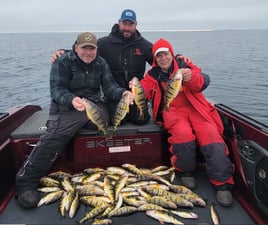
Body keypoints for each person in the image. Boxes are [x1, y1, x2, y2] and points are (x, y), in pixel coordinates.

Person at [15, 32, 133, 209]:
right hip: (66, 108)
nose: (88, 52)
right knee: (55, 134)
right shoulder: (62, 61)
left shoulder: (101, 63)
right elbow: (56, 90)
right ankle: (26, 182)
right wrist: (71, 99)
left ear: (96, 49)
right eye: (84, 48)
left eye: (91, 49)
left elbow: (109, 87)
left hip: (93, 106)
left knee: (110, 120)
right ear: (76, 47)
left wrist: (123, 93)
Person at [134, 38, 234, 207]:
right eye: (158, 56)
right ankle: (186, 171)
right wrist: (134, 90)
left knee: (211, 136)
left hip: (197, 109)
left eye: (165, 54)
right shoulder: (152, 75)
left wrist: (191, 76)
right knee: (182, 135)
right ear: (155, 59)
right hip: (173, 110)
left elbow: (203, 82)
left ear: (171, 54)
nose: (163, 59)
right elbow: (144, 88)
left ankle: (222, 182)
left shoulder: (185, 65)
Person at [50, 9, 190, 126]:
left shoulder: (144, 45)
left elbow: (162, 58)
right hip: (114, 94)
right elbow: (86, 52)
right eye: (125, 23)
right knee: (118, 121)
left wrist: (178, 58)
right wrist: (63, 52)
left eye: (131, 24)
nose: (127, 27)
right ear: (119, 23)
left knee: (141, 120)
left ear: (136, 25)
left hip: (136, 94)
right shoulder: (104, 43)